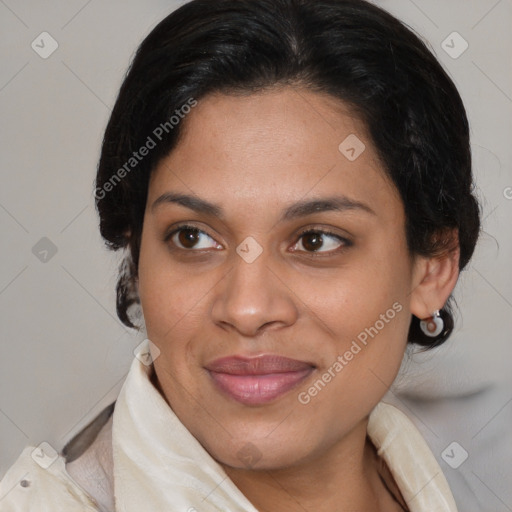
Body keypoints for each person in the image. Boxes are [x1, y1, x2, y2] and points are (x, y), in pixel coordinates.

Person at [0, 0, 480, 510]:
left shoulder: (417, 467)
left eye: (316, 240)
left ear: (432, 267)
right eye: (193, 238)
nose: (247, 309)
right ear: (137, 259)